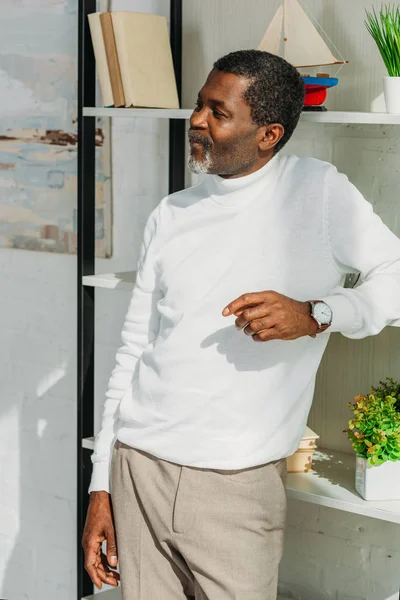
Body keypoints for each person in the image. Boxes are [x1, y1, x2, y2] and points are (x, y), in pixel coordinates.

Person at [82, 50, 400, 600]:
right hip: (138, 468)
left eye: (218, 112)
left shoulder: (318, 193)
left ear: (268, 134)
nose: (197, 121)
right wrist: (101, 486)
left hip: (237, 486)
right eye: (199, 105)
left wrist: (316, 314)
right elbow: (133, 351)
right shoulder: (171, 214)